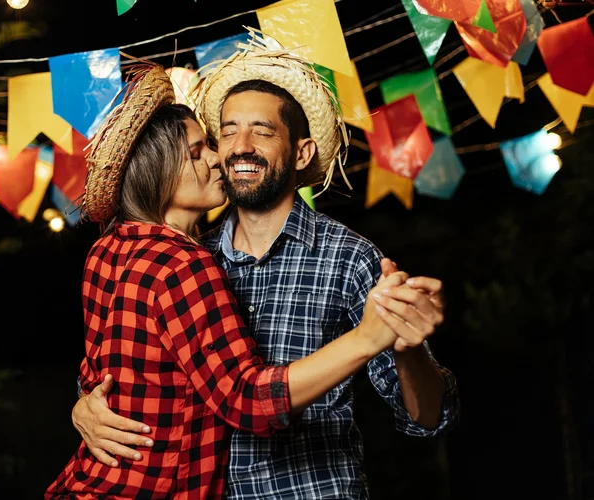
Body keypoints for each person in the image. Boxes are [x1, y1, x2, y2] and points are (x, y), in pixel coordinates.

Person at [72, 32, 459, 499]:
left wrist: (407, 346)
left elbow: (427, 419)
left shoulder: (349, 258)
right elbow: (130, 369)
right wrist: (83, 407)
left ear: (301, 152)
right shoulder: (189, 256)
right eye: (227, 130)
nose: (238, 146)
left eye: (263, 130)